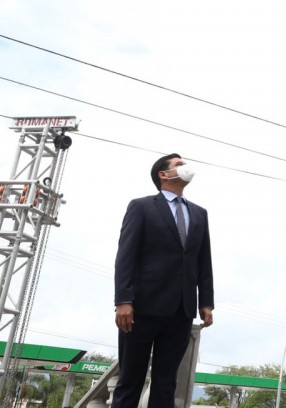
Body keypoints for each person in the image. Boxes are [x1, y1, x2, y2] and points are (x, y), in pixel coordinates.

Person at [112, 153, 214, 408]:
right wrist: (123, 300)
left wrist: (207, 302)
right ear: (163, 174)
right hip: (141, 308)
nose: (186, 167)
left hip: (181, 309)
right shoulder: (141, 206)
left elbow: (204, 260)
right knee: (130, 380)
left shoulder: (200, 214)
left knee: (166, 382)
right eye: (179, 164)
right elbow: (126, 255)